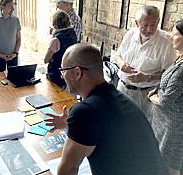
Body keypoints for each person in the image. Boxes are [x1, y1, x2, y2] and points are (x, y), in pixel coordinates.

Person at [45, 43, 168, 175]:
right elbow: (106, 132)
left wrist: (77, 124)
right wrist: (71, 126)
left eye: (63, 71)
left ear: (77, 72)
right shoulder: (120, 99)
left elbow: (66, 171)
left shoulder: (85, 112)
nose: (62, 76)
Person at [115, 5, 176, 120]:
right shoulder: (130, 33)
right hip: (121, 88)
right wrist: (121, 64)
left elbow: (170, 75)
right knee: (118, 122)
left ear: (158, 21)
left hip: (144, 94)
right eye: (145, 26)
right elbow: (118, 55)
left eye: (153, 25)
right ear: (137, 23)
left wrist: (148, 77)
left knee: (137, 127)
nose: (149, 30)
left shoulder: (166, 42)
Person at [147, 19, 183, 175]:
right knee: (159, 160)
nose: (171, 37)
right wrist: (156, 89)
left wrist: (152, 96)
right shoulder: (179, 58)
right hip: (163, 122)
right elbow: (166, 82)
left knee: (170, 165)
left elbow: (166, 99)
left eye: (175, 34)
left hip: (173, 126)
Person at [44, 10, 76, 89]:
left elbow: (46, 60)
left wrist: (52, 58)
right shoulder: (73, 34)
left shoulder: (56, 40)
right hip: (70, 72)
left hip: (56, 74)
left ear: (54, 23)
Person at [0, 0, 21, 72]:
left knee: (14, 78)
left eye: (13, 6)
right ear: (2, 6)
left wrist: (15, 53)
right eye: (10, 6)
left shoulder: (16, 20)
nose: (13, 8)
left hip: (13, 56)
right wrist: (0, 55)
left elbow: (19, 39)